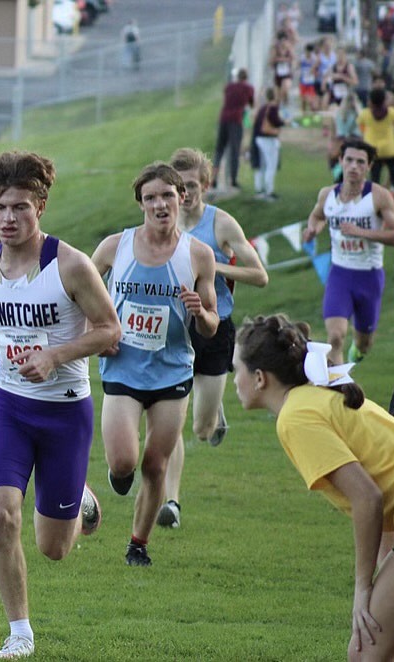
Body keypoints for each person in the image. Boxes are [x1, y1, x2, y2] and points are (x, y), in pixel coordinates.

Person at [0, 151, 120, 659]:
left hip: (66, 412)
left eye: (20, 207)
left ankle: (81, 499)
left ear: (40, 206)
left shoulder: (70, 265)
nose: (8, 218)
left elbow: (110, 331)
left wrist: (57, 355)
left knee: (55, 548)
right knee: (2, 516)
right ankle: (19, 633)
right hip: (10, 407)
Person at [233, 313, 394, 661]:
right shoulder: (310, 397)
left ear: (260, 378)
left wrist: (363, 588)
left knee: (365, 653)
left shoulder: (295, 417)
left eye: (237, 370)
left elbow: (368, 497)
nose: (234, 380)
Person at [91, 162, 219, 566]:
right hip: (123, 368)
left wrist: (201, 314)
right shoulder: (116, 246)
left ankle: (138, 544)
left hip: (172, 371)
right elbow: (76, 294)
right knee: (125, 462)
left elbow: (213, 325)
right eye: (150, 197)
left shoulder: (198, 255)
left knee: (155, 464)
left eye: (167, 195)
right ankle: (118, 475)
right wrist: (97, 332)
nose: (160, 204)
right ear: (141, 203)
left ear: (181, 197)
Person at [156, 148, 268, 529]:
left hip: (215, 329)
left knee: (201, 430)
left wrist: (209, 262)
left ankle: (215, 416)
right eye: (178, 187)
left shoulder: (220, 225)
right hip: (174, 332)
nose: (184, 195)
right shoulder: (161, 221)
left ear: (205, 185)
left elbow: (259, 274)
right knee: (171, 419)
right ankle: (171, 503)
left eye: (191, 186)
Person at [303, 139, 394, 365]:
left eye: (360, 162)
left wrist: (361, 232)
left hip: (369, 276)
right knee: (335, 337)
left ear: (368, 166)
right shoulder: (327, 195)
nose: (354, 166)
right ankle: (339, 391)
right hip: (340, 274)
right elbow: (318, 216)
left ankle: (357, 353)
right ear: (340, 161)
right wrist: (313, 229)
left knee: (364, 342)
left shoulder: (378, 196)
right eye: (349, 160)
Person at [212, 68, 255, 191]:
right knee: (234, 151)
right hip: (236, 121)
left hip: (223, 118)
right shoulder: (248, 88)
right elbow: (251, 103)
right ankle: (233, 180)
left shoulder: (229, 87)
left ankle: (214, 178)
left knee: (219, 150)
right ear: (246, 77)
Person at [357, 88, 394, 196]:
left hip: (373, 149)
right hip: (389, 149)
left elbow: (359, 122)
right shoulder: (390, 112)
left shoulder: (366, 113)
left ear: (370, 100)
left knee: (375, 175)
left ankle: (375, 196)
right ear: (384, 100)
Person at [252, 87, 285, 201]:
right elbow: (276, 121)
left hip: (259, 139)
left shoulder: (263, 108)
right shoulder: (273, 107)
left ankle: (259, 189)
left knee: (262, 166)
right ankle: (269, 191)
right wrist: (284, 121)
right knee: (271, 165)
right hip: (268, 139)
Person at [270, 31, 296, 108]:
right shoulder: (275, 49)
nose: (283, 43)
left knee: (285, 88)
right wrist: (280, 60)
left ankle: (286, 103)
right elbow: (271, 62)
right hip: (278, 74)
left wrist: (283, 59)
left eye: (285, 40)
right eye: (281, 41)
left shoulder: (289, 48)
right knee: (278, 99)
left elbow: (293, 59)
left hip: (287, 74)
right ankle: (282, 107)